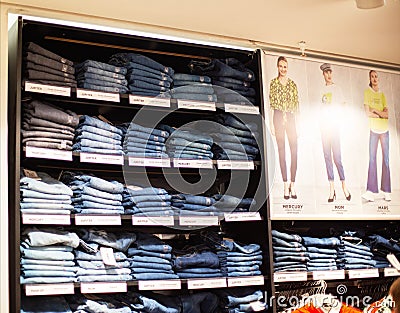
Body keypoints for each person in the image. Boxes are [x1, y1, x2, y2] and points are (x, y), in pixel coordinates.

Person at [319, 63, 351, 203]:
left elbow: (344, 105)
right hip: (324, 127)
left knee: (337, 158)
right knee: (327, 157)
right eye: (326, 72)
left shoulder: (337, 89)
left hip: (334, 126)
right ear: (323, 74)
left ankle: (344, 185)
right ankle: (332, 188)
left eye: (330, 72)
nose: (329, 74)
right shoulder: (321, 90)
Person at [269, 56, 299, 200]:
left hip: (291, 117)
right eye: (281, 66)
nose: (283, 69)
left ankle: (293, 184)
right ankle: (285, 184)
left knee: (294, 151)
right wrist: (271, 124)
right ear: (277, 67)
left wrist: (299, 125)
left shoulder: (292, 84)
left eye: (285, 66)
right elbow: (271, 106)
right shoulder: (273, 83)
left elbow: (297, 106)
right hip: (278, 116)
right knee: (282, 151)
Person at [361, 70, 391, 202]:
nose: (374, 78)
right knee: (372, 160)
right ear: (370, 79)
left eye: (376, 76)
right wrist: (379, 113)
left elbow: (387, 115)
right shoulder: (367, 92)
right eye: (372, 76)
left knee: (386, 160)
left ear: (378, 79)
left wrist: (375, 110)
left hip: (385, 131)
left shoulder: (383, 95)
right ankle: (371, 192)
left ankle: (386, 191)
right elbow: (367, 113)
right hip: (373, 130)